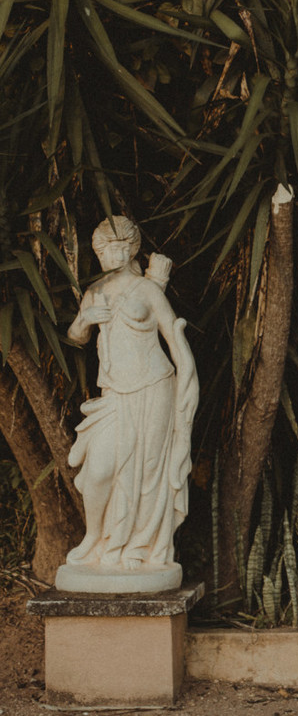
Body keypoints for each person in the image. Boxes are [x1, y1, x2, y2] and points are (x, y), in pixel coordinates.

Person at [62, 216, 198, 584]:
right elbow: (76, 337)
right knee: (100, 469)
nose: (108, 255)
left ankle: (139, 545)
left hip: (156, 387)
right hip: (115, 394)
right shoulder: (95, 292)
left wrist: (188, 387)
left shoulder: (148, 290)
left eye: (116, 248)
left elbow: (174, 336)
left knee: (148, 469)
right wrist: (85, 319)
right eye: (102, 250)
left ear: (132, 248)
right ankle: (94, 537)